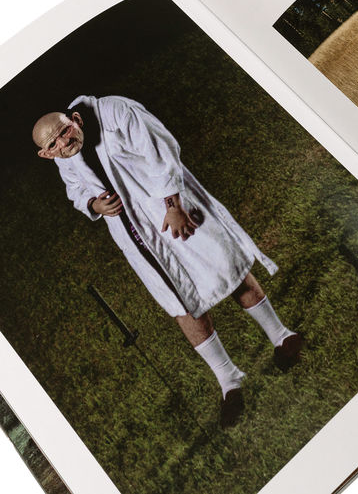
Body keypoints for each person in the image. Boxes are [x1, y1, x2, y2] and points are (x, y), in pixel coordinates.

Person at [32, 95, 302, 427]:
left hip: (170, 210)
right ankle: (229, 381)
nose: (64, 142)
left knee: (223, 266)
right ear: (46, 154)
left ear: (76, 119)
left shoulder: (115, 112)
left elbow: (161, 149)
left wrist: (173, 205)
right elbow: (75, 189)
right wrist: (93, 205)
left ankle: (282, 336)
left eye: (65, 131)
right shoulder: (64, 156)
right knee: (178, 300)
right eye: (54, 144)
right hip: (136, 235)